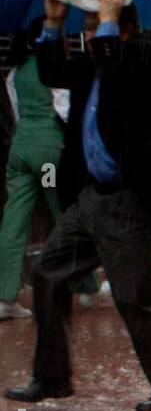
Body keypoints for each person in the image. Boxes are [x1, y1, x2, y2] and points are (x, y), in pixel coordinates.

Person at [5, 0, 151, 411]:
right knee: (48, 272)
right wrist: (54, 22)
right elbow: (52, 70)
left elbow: (121, 68)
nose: (91, 35)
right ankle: (52, 377)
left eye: (99, 26)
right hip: (91, 198)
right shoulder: (93, 66)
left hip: (131, 202)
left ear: (126, 28)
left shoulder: (145, 60)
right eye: (88, 27)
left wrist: (109, 23)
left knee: (135, 298)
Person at [0, 22, 108, 320]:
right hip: (50, 153)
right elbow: (63, 110)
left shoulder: (15, 72)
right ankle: (87, 286)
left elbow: (17, 111)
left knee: (13, 220)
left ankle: (5, 297)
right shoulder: (55, 70)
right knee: (66, 215)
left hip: (20, 151)